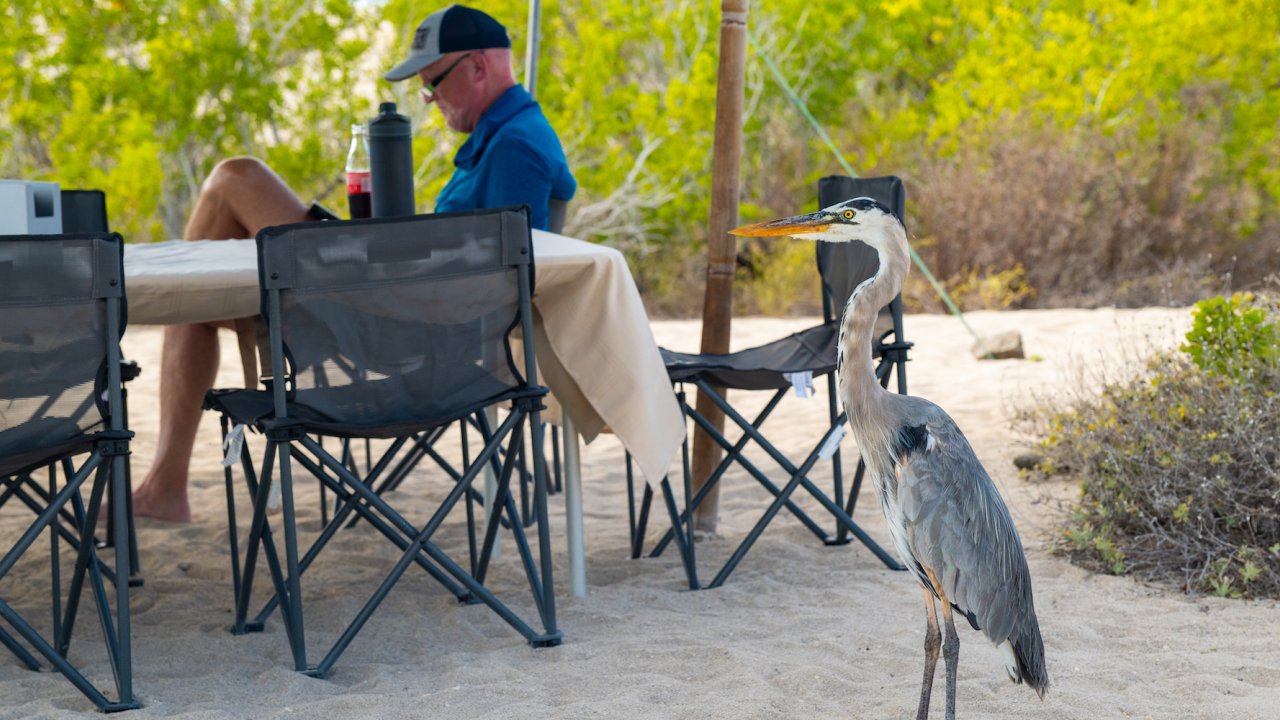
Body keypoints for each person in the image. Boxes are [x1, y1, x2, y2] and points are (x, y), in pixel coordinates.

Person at [130, 4, 576, 522]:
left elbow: (485, 288)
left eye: (433, 82)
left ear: (478, 67)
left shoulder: (516, 148)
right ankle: (164, 487)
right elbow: (462, 258)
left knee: (238, 176)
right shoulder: (501, 138)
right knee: (195, 305)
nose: (428, 99)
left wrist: (367, 255)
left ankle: (164, 485)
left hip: (404, 332)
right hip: (397, 309)